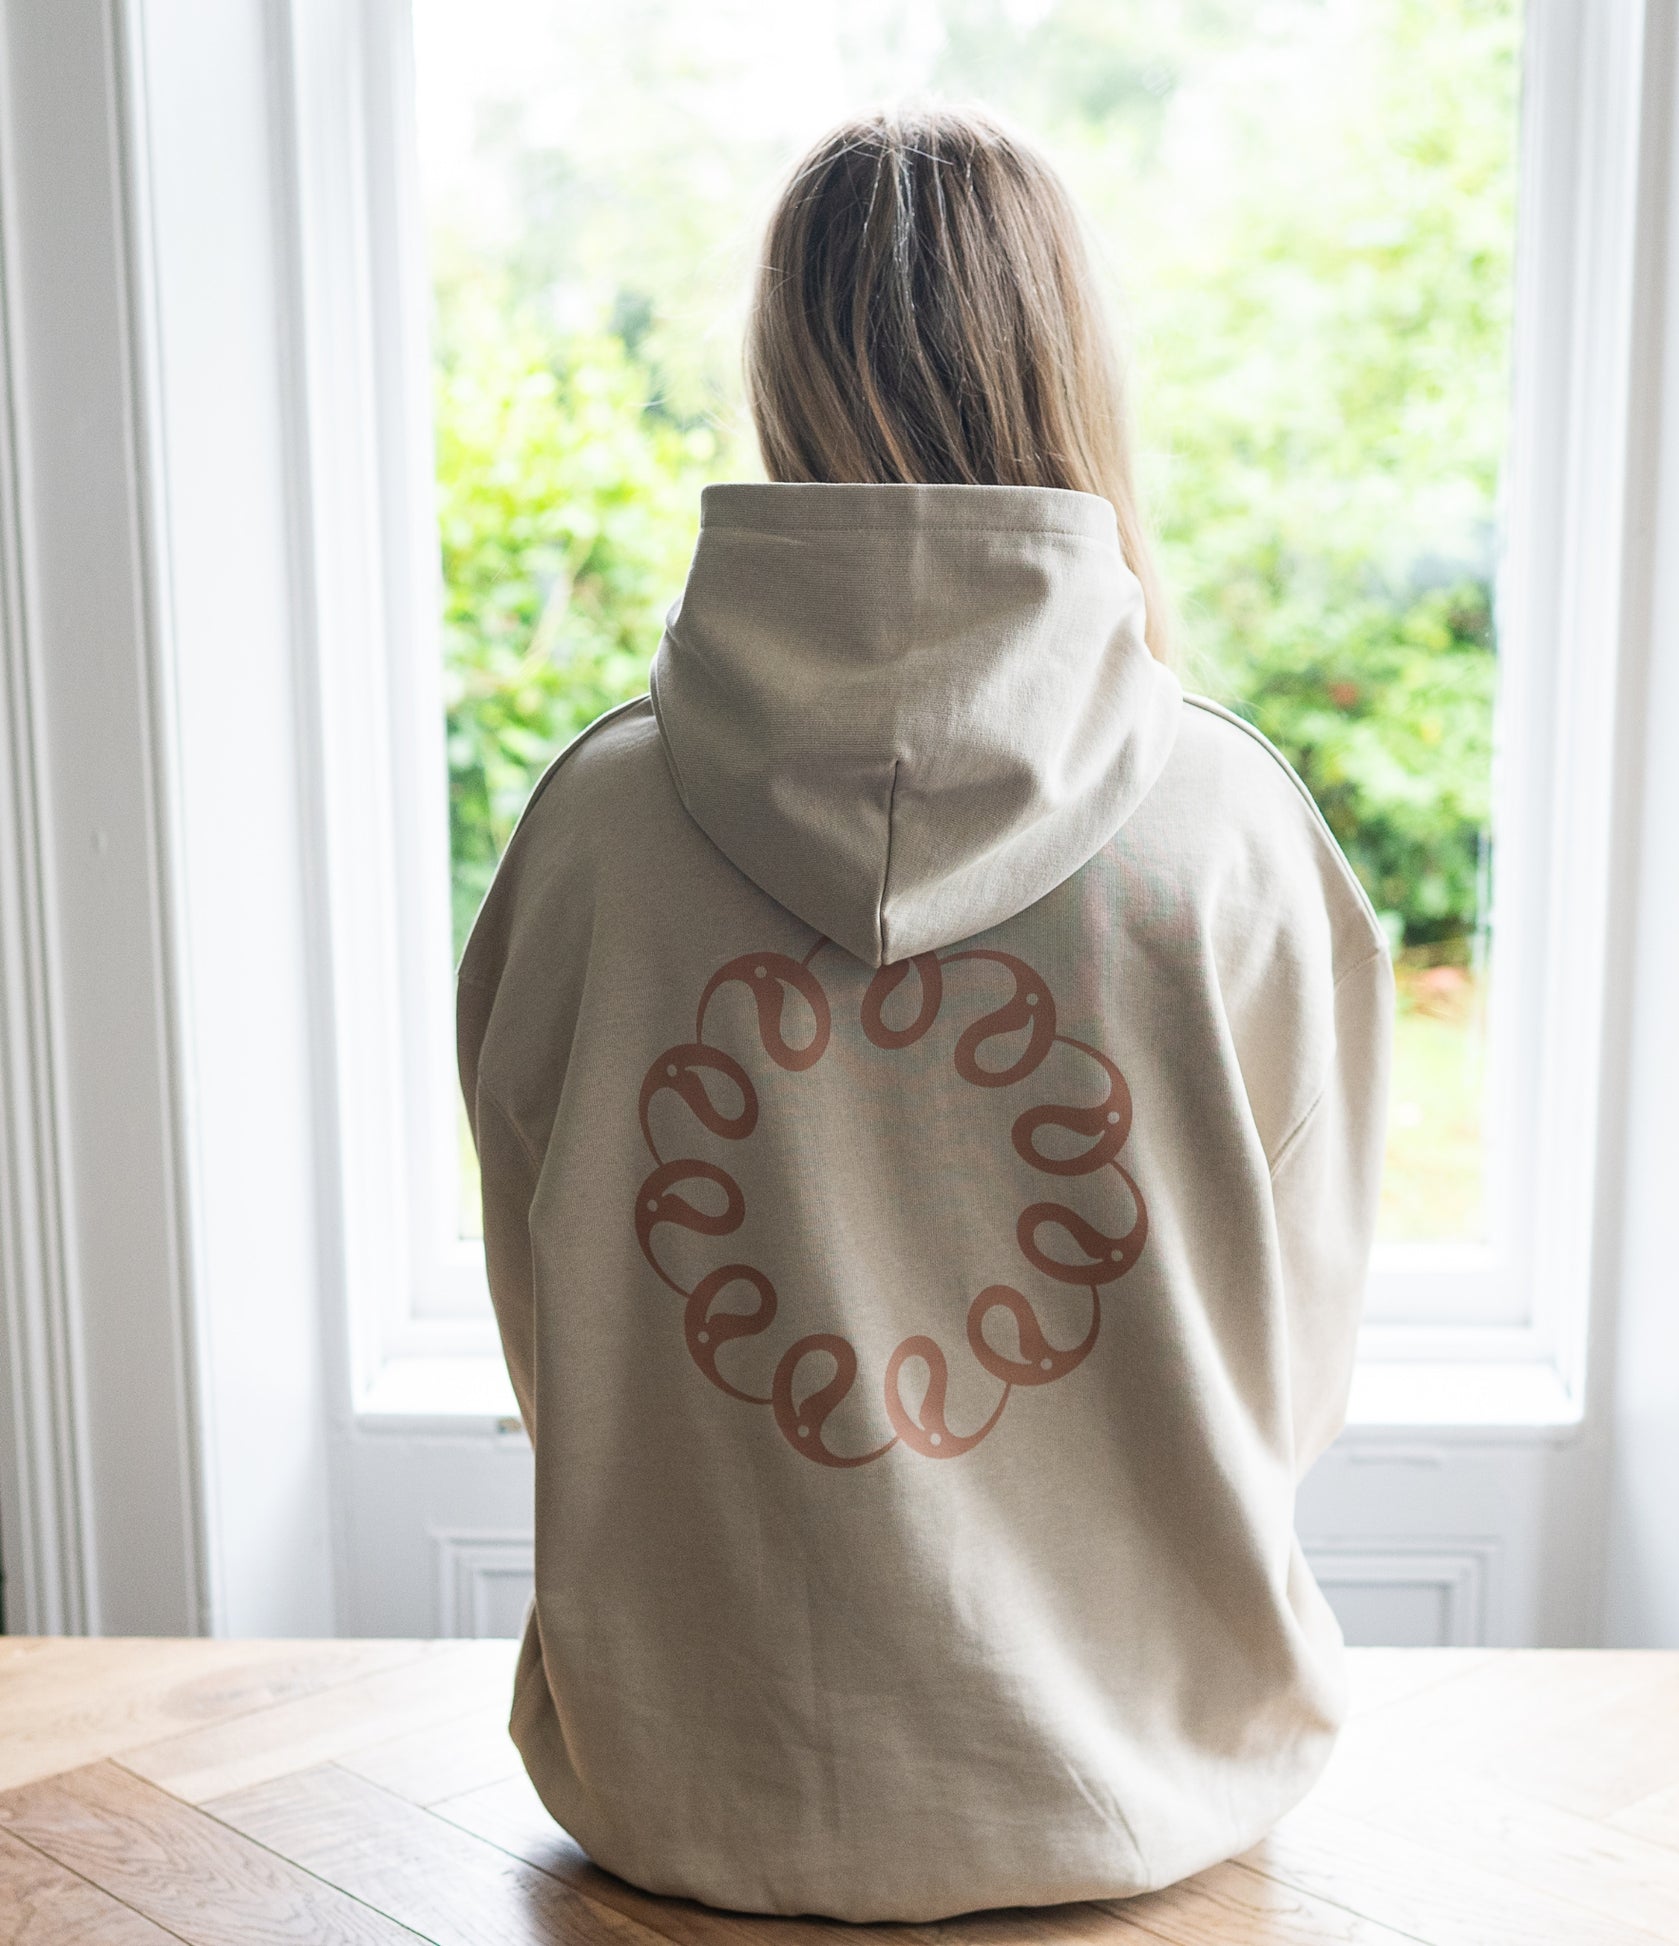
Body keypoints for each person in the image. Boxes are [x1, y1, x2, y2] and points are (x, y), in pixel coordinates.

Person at [457, 103, 1392, 1924]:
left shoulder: (589, 835)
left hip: (679, 1788)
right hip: (1146, 1778)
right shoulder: (1229, 830)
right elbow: (1296, 1353)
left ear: (777, 366)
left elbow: (550, 1322)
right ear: (1070, 366)